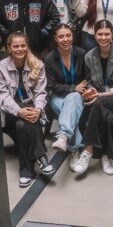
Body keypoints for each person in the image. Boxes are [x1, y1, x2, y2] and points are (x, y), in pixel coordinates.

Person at [0, 32, 55, 187]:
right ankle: (41, 157)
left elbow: (41, 92)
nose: (20, 49)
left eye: (23, 45)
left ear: (27, 46)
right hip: (9, 113)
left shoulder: (38, 64)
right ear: (9, 48)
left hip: (30, 113)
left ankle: (26, 172)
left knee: (22, 126)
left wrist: (39, 109)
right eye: (15, 46)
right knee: (23, 117)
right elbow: (3, 97)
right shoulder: (0, 68)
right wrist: (19, 111)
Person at [73, 20, 113, 176]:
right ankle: (107, 155)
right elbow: (90, 82)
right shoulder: (89, 56)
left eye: (107, 34)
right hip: (98, 102)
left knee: (98, 103)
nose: (103, 37)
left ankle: (88, 149)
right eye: (100, 34)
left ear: (112, 35)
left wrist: (98, 95)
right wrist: (90, 91)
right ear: (94, 35)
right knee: (107, 119)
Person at [44, 24, 90, 155]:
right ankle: (75, 149)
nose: (65, 39)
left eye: (68, 35)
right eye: (61, 36)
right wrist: (73, 88)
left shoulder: (81, 53)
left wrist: (80, 89)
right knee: (72, 111)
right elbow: (51, 85)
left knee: (73, 98)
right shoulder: (50, 59)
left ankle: (64, 136)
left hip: (78, 96)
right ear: (55, 38)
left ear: (73, 36)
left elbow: (87, 77)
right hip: (57, 96)